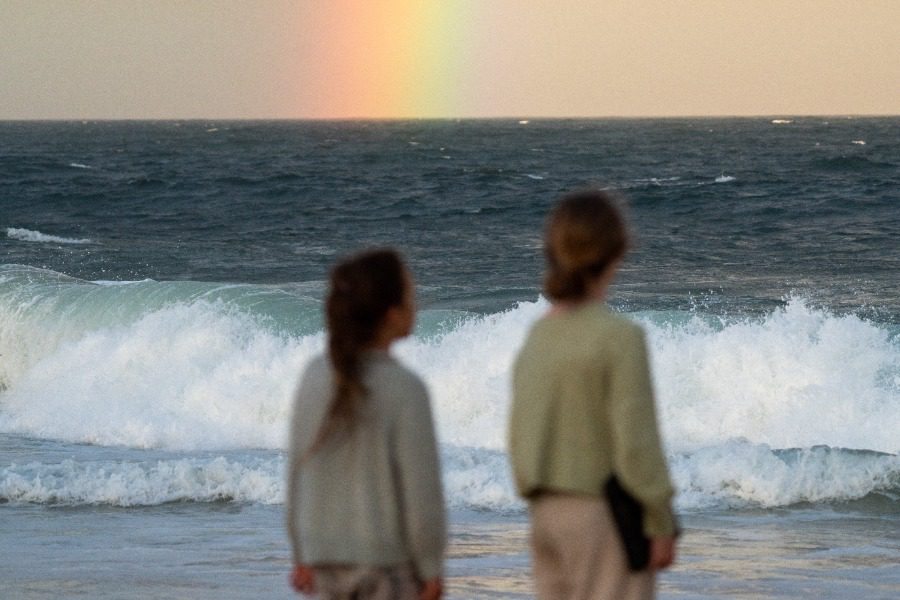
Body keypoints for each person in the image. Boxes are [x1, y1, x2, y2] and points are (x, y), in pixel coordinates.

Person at [508, 189, 678, 600]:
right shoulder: (620, 337)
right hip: (602, 519)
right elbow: (636, 443)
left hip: (545, 515)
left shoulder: (538, 335)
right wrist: (660, 519)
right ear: (616, 251)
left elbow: (520, 434)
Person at [286, 248, 446, 600]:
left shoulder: (313, 377)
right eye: (411, 295)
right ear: (391, 314)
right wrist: (431, 567)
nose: (415, 303)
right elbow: (422, 495)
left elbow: (296, 472)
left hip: (323, 562)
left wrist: (301, 552)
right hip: (386, 567)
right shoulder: (405, 388)